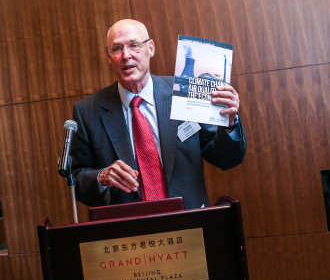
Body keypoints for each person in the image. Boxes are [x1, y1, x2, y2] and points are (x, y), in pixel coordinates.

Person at [70, 19, 246, 209]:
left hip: (189, 223)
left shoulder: (185, 91)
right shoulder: (88, 111)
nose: (126, 55)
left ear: (151, 48)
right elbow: (76, 179)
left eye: (134, 45)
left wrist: (229, 123)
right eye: (117, 48)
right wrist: (101, 177)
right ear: (109, 56)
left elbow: (226, 159)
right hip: (129, 230)